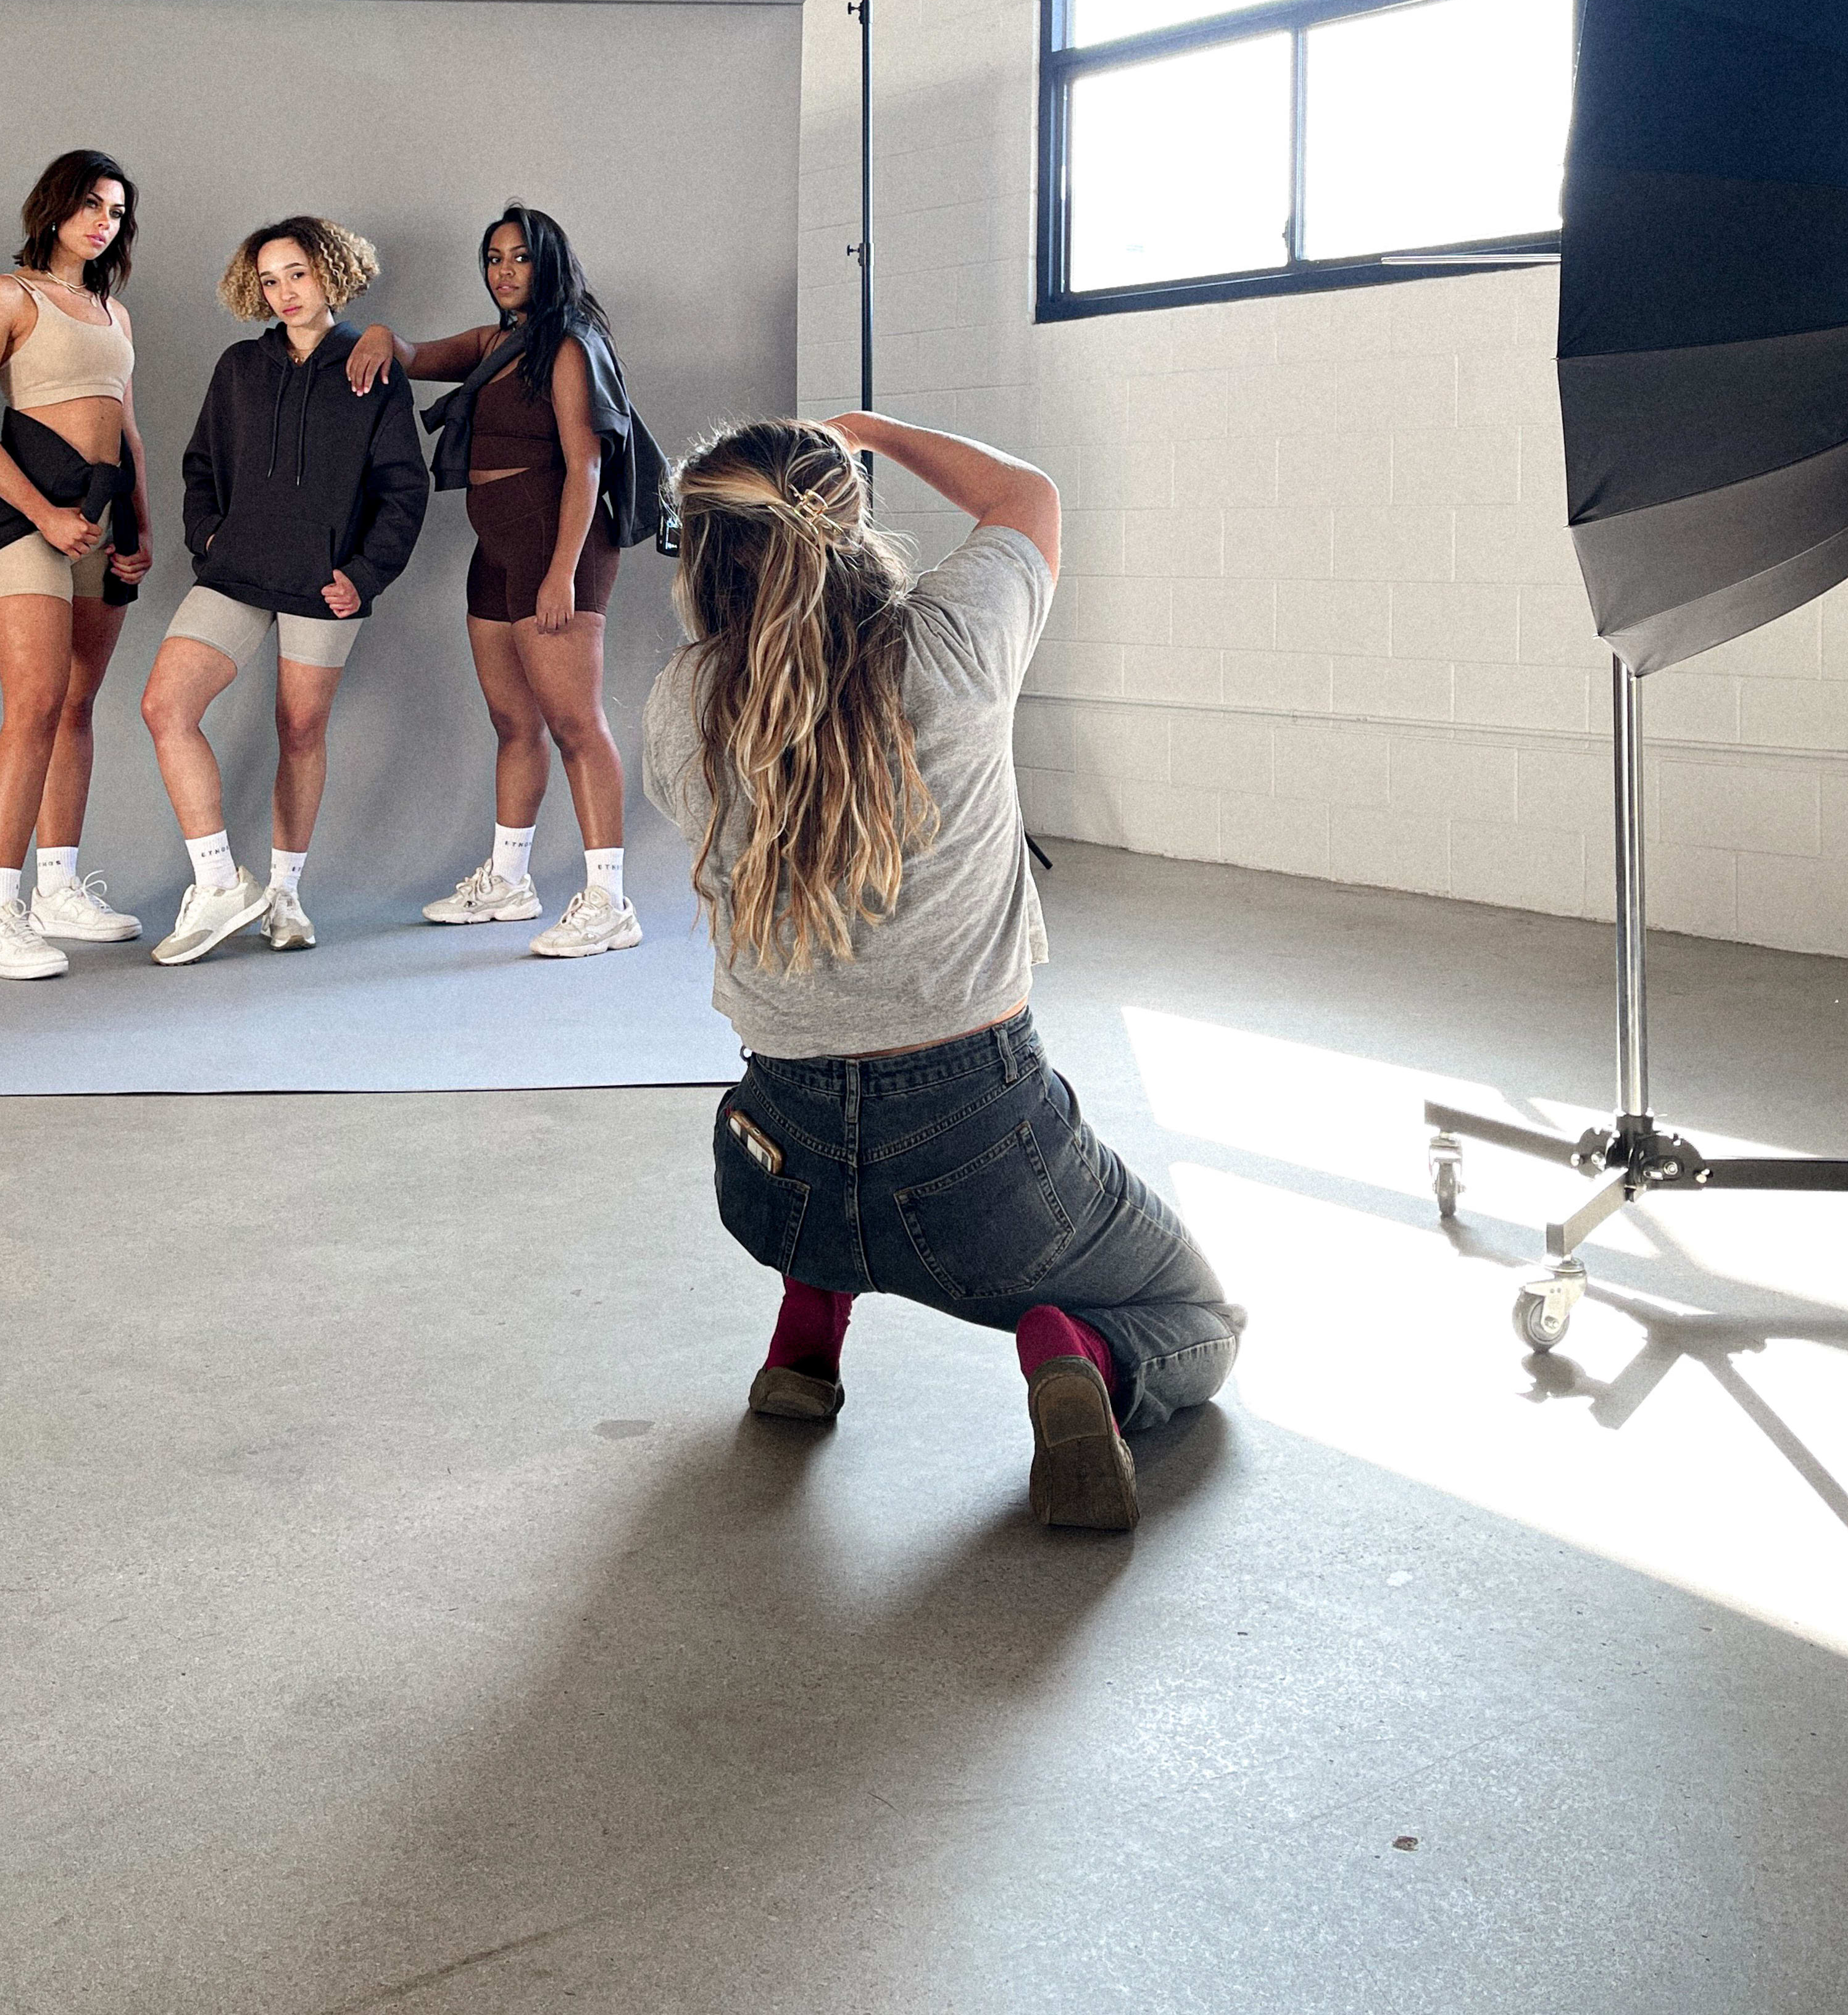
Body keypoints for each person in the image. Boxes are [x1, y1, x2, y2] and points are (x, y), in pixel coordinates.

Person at [643, 412, 1241, 1534]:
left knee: (821, 1134)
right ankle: (1086, 1360)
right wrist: (865, 427)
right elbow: (1028, 497)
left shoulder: (683, 698)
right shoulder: (958, 642)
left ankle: (809, 1329)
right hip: (983, 1177)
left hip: (775, 1179)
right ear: (846, 517)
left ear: (700, 552)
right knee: (1197, 1314)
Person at [346, 204, 639, 962]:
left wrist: (562, 574)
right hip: (497, 545)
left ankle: (610, 900)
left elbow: (587, 465)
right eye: (493, 259)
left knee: (576, 724)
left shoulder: (569, 345)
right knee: (514, 722)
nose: (505, 272)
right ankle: (510, 880)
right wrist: (379, 335)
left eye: (519, 258)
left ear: (549, 264)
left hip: (554, 543)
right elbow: (412, 354)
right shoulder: (494, 343)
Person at [141, 217, 430, 965]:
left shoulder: (369, 369)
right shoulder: (240, 366)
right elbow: (200, 463)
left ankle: (286, 894)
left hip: (322, 582)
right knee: (166, 707)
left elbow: (404, 487)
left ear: (329, 272)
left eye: (297, 273)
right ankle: (218, 883)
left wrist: (365, 574)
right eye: (270, 279)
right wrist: (208, 537)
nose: (285, 291)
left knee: (300, 730)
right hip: (237, 571)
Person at [0, 149, 152, 981]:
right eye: (92, 204)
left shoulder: (113, 314)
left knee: (76, 704)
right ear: (55, 206)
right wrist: (43, 514)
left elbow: (127, 431)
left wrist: (140, 525)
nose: (104, 222)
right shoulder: (4, 296)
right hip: (30, 515)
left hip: (103, 520)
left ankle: (57, 890)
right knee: (32, 702)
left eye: (118, 212)